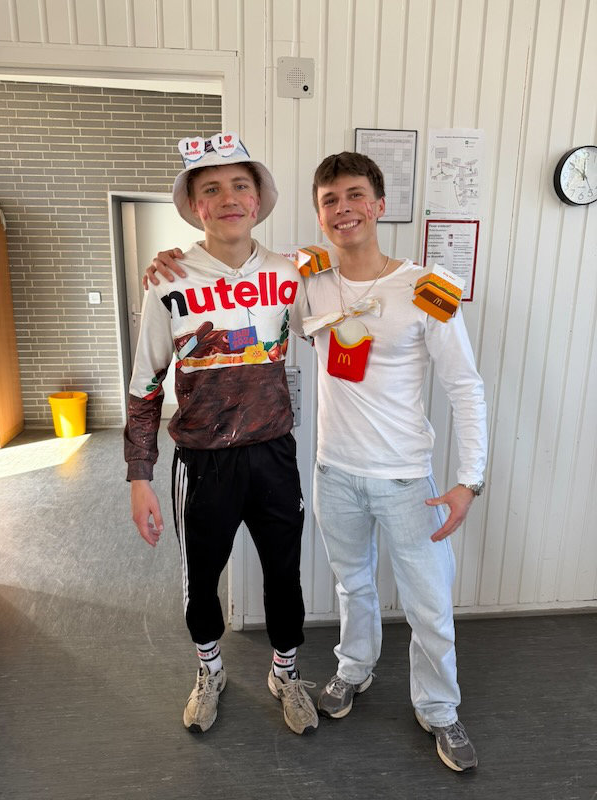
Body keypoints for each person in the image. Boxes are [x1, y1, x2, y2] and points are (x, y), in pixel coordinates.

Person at [145, 151, 487, 772]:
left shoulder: (425, 288)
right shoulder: (308, 277)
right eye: (330, 200)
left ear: (379, 205)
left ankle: (439, 708)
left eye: (355, 196)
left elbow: (466, 387)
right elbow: (229, 283)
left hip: (408, 478)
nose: (343, 209)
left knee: (430, 603)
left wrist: (470, 479)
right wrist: (171, 260)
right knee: (352, 585)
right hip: (334, 472)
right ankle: (354, 670)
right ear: (318, 212)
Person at [124, 132, 318, 737]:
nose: (228, 198)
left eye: (240, 185)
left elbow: (337, 326)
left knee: (285, 573)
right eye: (211, 189)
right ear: (194, 205)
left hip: (274, 453)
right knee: (201, 579)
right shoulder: (168, 280)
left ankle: (285, 673)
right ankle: (210, 671)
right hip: (201, 462)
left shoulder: (290, 273)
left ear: (258, 199)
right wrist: (139, 476)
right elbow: (145, 382)